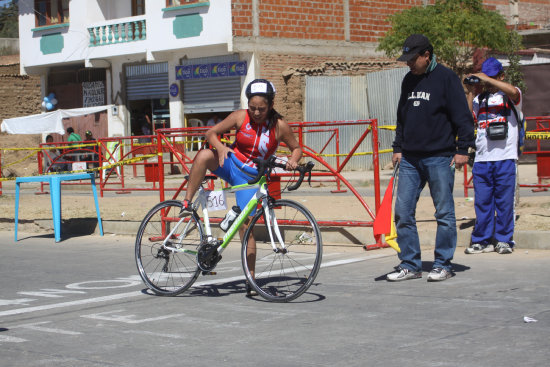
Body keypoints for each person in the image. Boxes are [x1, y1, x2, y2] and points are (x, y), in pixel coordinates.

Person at [181, 78, 303, 295]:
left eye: (261, 109)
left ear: (271, 105)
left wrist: (294, 160)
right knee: (203, 155)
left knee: (246, 227)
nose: (256, 112)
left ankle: (251, 279)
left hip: (251, 179)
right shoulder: (240, 116)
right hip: (229, 164)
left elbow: (296, 148)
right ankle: (187, 203)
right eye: (253, 108)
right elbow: (210, 133)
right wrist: (219, 148)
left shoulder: (280, 126)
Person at [387, 34, 475, 282]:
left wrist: (463, 149)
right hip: (410, 159)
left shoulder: (447, 79)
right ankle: (410, 264)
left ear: (427, 55)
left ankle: (443, 264)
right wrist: (398, 147)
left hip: (440, 156)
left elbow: (462, 117)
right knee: (403, 212)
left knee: (444, 214)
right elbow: (401, 117)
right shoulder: (408, 80)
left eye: (412, 59)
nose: (408, 64)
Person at [463, 58, 522, 255]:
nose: (487, 83)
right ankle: (482, 239)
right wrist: (472, 91)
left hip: (505, 157)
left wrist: (486, 78)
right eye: (485, 79)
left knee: (505, 202)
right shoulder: (480, 99)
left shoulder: (511, 96)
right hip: (482, 159)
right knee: (483, 202)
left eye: (491, 78)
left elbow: (514, 91)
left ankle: (504, 240)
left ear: (501, 76)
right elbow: (465, 116)